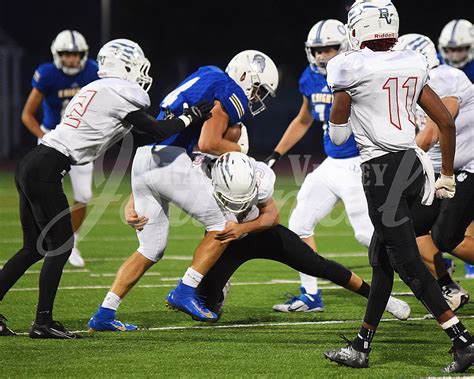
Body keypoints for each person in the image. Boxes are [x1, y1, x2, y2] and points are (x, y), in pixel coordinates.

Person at [0, 38, 212, 339]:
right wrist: (189, 117)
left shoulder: (94, 89)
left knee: (32, 247)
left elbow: (138, 127)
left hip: (33, 162)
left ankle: (30, 319)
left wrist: (172, 121)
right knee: (61, 245)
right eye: (137, 68)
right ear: (123, 66)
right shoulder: (118, 91)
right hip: (47, 166)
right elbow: (155, 130)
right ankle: (43, 322)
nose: (141, 75)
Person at [322, 1, 474, 373]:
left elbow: (339, 136)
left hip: (380, 172)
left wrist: (344, 111)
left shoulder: (349, 67)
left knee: (406, 260)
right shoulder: (412, 61)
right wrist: (448, 176)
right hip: (414, 167)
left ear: (358, 26)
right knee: (381, 256)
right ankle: (362, 344)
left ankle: (463, 342)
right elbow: (445, 124)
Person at [87, 50, 279, 329]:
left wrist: (134, 195)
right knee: (222, 226)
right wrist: (242, 151)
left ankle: (104, 313)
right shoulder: (229, 89)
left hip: (144, 159)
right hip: (170, 158)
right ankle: (186, 290)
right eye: (259, 89)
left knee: (150, 248)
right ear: (246, 76)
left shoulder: (207, 74)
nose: (257, 98)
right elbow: (210, 142)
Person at [264, 19, 373, 313]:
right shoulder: (310, 78)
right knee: (299, 225)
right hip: (332, 163)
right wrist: (276, 154)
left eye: (330, 48)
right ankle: (311, 295)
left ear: (346, 46)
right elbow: (303, 119)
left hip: (360, 161)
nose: (323, 55)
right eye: (318, 50)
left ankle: (432, 279)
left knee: (366, 234)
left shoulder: (359, 73)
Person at [395, 33, 474, 312]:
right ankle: (447, 286)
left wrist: (398, 168)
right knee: (409, 225)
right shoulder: (412, 87)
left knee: (445, 237)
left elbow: (434, 130)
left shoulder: (444, 77)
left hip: (468, 167)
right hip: (443, 170)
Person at [21, 30, 99, 267]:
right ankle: (41, 242)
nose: (72, 59)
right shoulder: (47, 74)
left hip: (80, 141)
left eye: (76, 54)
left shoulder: (93, 71)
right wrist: (44, 137)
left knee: (83, 195)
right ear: (57, 54)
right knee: (44, 195)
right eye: (66, 54)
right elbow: (27, 114)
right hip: (52, 138)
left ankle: (71, 242)